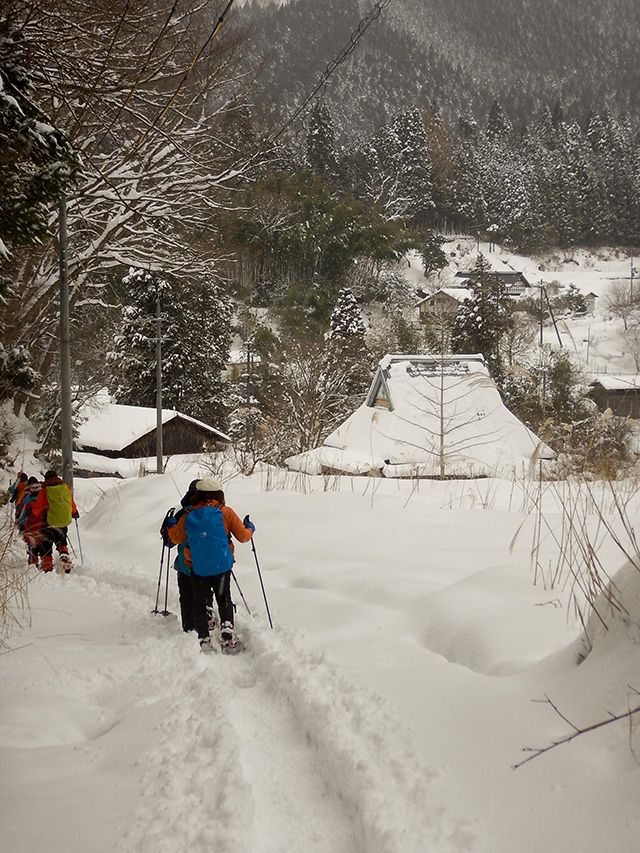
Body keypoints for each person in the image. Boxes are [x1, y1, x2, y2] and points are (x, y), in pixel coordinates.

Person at [167, 477, 254, 652]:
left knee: (199, 603)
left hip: (197, 569)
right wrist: (250, 528)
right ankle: (227, 629)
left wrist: (170, 526)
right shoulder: (225, 512)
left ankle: (204, 640)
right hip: (221, 567)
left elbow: (175, 538)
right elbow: (243, 537)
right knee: (224, 599)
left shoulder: (188, 514)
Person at [160, 479, 215, 633]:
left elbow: (169, 542)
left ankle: (189, 628)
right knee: (204, 595)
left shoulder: (183, 514)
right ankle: (207, 619)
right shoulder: (214, 511)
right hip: (209, 565)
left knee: (187, 597)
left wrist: (169, 525)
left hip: (185, 565)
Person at [30, 469, 79, 573]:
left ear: (46, 479)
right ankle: (64, 556)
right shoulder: (65, 488)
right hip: (64, 521)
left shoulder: (45, 491)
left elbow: (36, 509)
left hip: (49, 523)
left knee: (46, 545)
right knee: (61, 540)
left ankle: (47, 568)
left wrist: (33, 513)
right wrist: (74, 513)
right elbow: (71, 503)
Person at [18, 477, 43, 567]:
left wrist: (21, 525)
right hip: (43, 524)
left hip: (30, 525)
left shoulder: (27, 499)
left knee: (32, 543)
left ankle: (33, 560)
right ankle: (46, 561)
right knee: (42, 542)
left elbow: (23, 514)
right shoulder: (44, 496)